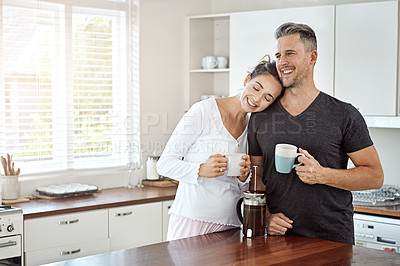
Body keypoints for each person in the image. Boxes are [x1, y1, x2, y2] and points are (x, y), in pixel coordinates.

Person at [248, 22, 384, 245]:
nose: (282, 62)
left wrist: (323, 175)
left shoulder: (344, 114)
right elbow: (257, 177)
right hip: (276, 241)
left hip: (331, 240)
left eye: (290, 53)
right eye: (278, 55)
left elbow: (375, 176)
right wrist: (266, 217)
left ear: (312, 57)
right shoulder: (261, 115)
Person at [157, 58, 283, 241]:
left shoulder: (252, 128)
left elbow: (240, 186)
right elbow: (164, 164)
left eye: (267, 98)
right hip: (192, 221)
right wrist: (200, 169)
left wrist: (243, 178)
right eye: (256, 88)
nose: (257, 99)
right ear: (247, 79)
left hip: (232, 225)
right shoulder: (203, 111)